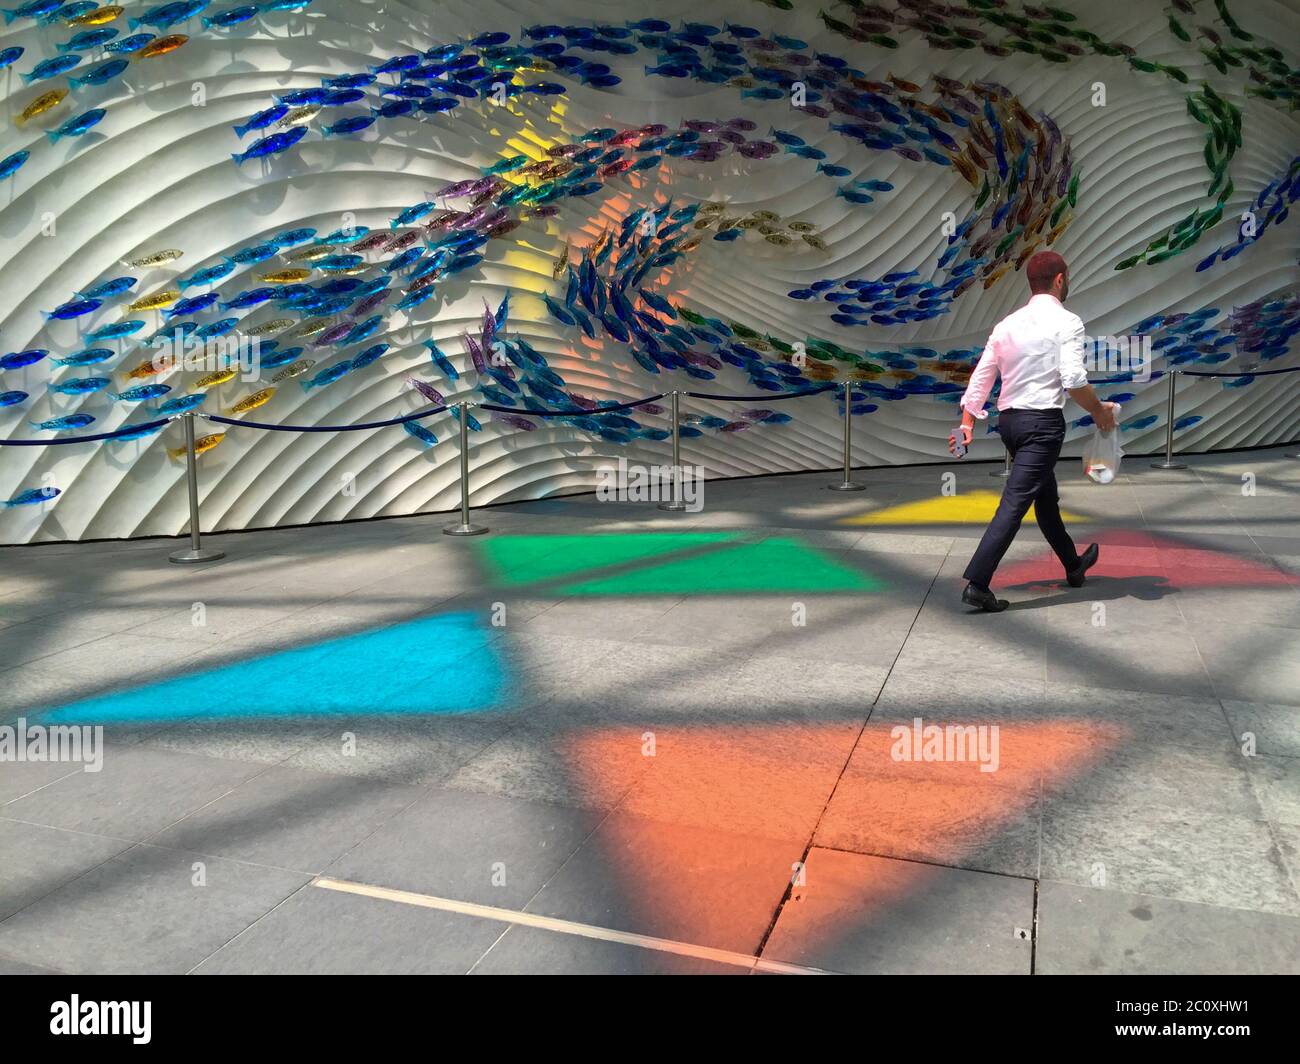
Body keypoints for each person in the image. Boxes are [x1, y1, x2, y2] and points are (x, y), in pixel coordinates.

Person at [948, 251, 1118, 612]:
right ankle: (977, 583)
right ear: (1060, 279)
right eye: (1067, 277)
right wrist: (1099, 411)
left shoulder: (1007, 324)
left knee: (1045, 501)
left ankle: (1074, 566)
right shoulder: (1068, 322)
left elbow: (982, 376)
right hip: (1041, 426)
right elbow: (1073, 379)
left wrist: (966, 424)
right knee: (1014, 505)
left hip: (1010, 425)